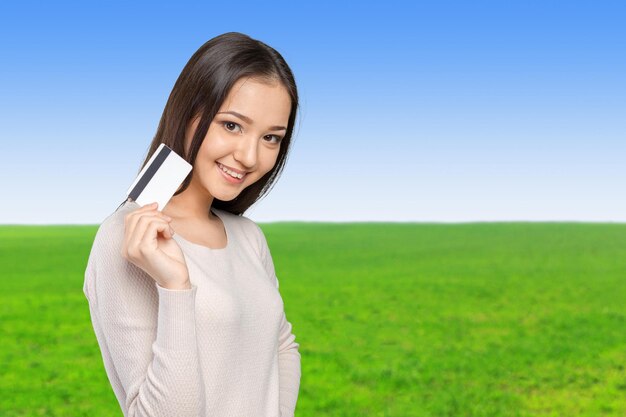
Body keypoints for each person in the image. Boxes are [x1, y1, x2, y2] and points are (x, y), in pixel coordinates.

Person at [82, 32, 301, 417]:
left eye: (270, 138)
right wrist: (175, 287)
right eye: (232, 125)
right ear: (187, 114)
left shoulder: (248, 237)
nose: (250, 156)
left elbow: (281, 346)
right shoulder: (126, 238)